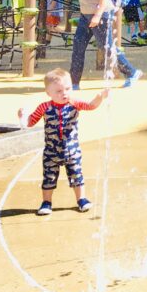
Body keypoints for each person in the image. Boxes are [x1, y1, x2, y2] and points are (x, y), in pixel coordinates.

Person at [17, 68, 109, 216]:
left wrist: (100, 97)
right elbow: (30, 122)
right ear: (49, 93)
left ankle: (81, 199)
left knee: (76, 175)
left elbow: (90, 106)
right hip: (51, 151)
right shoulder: (44, 107)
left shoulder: (74, 104)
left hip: (71, 150)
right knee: (49, 177)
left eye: (67, 89)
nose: (64, 93)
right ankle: (46, 202)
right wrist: (23, 117)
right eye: (58, 91)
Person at [67, 0, 142, 89]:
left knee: (107, 48)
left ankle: (131, 72)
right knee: (78, 46)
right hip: (85, 15)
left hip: (99, 15)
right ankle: (74, 82)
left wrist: (97, 16)